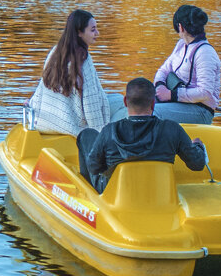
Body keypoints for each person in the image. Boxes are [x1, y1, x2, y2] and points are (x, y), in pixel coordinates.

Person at [78, 77, 207, 193]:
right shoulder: (172, 129)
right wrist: (197, 146)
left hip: (115, 192)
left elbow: (93, 167)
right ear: (153, 103)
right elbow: (197, 164)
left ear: (125, 102)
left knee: (86, 134)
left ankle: (86, 196)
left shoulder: (109, 131)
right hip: (157, 191)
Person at [26, 9, 122, 138]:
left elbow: (42, 88)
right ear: (79, 32)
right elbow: (90, 101)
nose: (97, 33)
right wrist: (98, 133)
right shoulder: (84, 59)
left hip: (47, 119)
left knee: (116, 98)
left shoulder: (55, 52)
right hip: (72, 123)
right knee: (122, 103)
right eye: (93, 30)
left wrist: (32, 105)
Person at [150, 4, 221, 125]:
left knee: (152, 112)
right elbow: (164, 70)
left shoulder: (205, 52)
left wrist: (171, 95)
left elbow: (205, 92)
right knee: (138, 105)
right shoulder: (181, 45)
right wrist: (160, 86)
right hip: (178, 103)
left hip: (200, 110)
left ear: (180, 27)